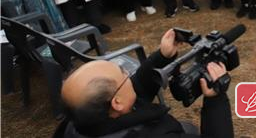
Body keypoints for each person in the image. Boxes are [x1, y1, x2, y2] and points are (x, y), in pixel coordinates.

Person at [55, 28, 233, 138]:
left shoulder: (75, 124)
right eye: (123, 74)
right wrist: (216, 101)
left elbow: (136, 88)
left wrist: (162, 57)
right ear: (116, 103)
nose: (128, 73)